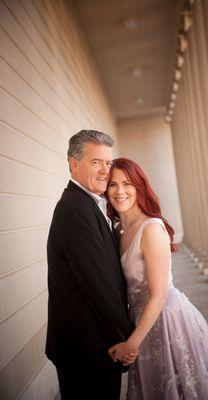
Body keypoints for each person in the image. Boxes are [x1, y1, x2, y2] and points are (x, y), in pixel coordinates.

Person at [107, 158, 208, 400]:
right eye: (113, 185)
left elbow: (159, 295)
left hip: (167, 319)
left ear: (139, 186)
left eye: (127, 183)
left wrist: (131, 343)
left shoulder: (151, 229)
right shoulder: (119, 230)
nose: (120, 191)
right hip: (142, 321)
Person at [45, 131, 136, 400]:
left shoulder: (89, 204)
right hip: (86, 344)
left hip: (91, 341)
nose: (105, 171)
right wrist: (125, 337)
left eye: (108, 163)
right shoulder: (76, 209)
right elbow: (98, 282)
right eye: (97, 162)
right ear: (73, 164)